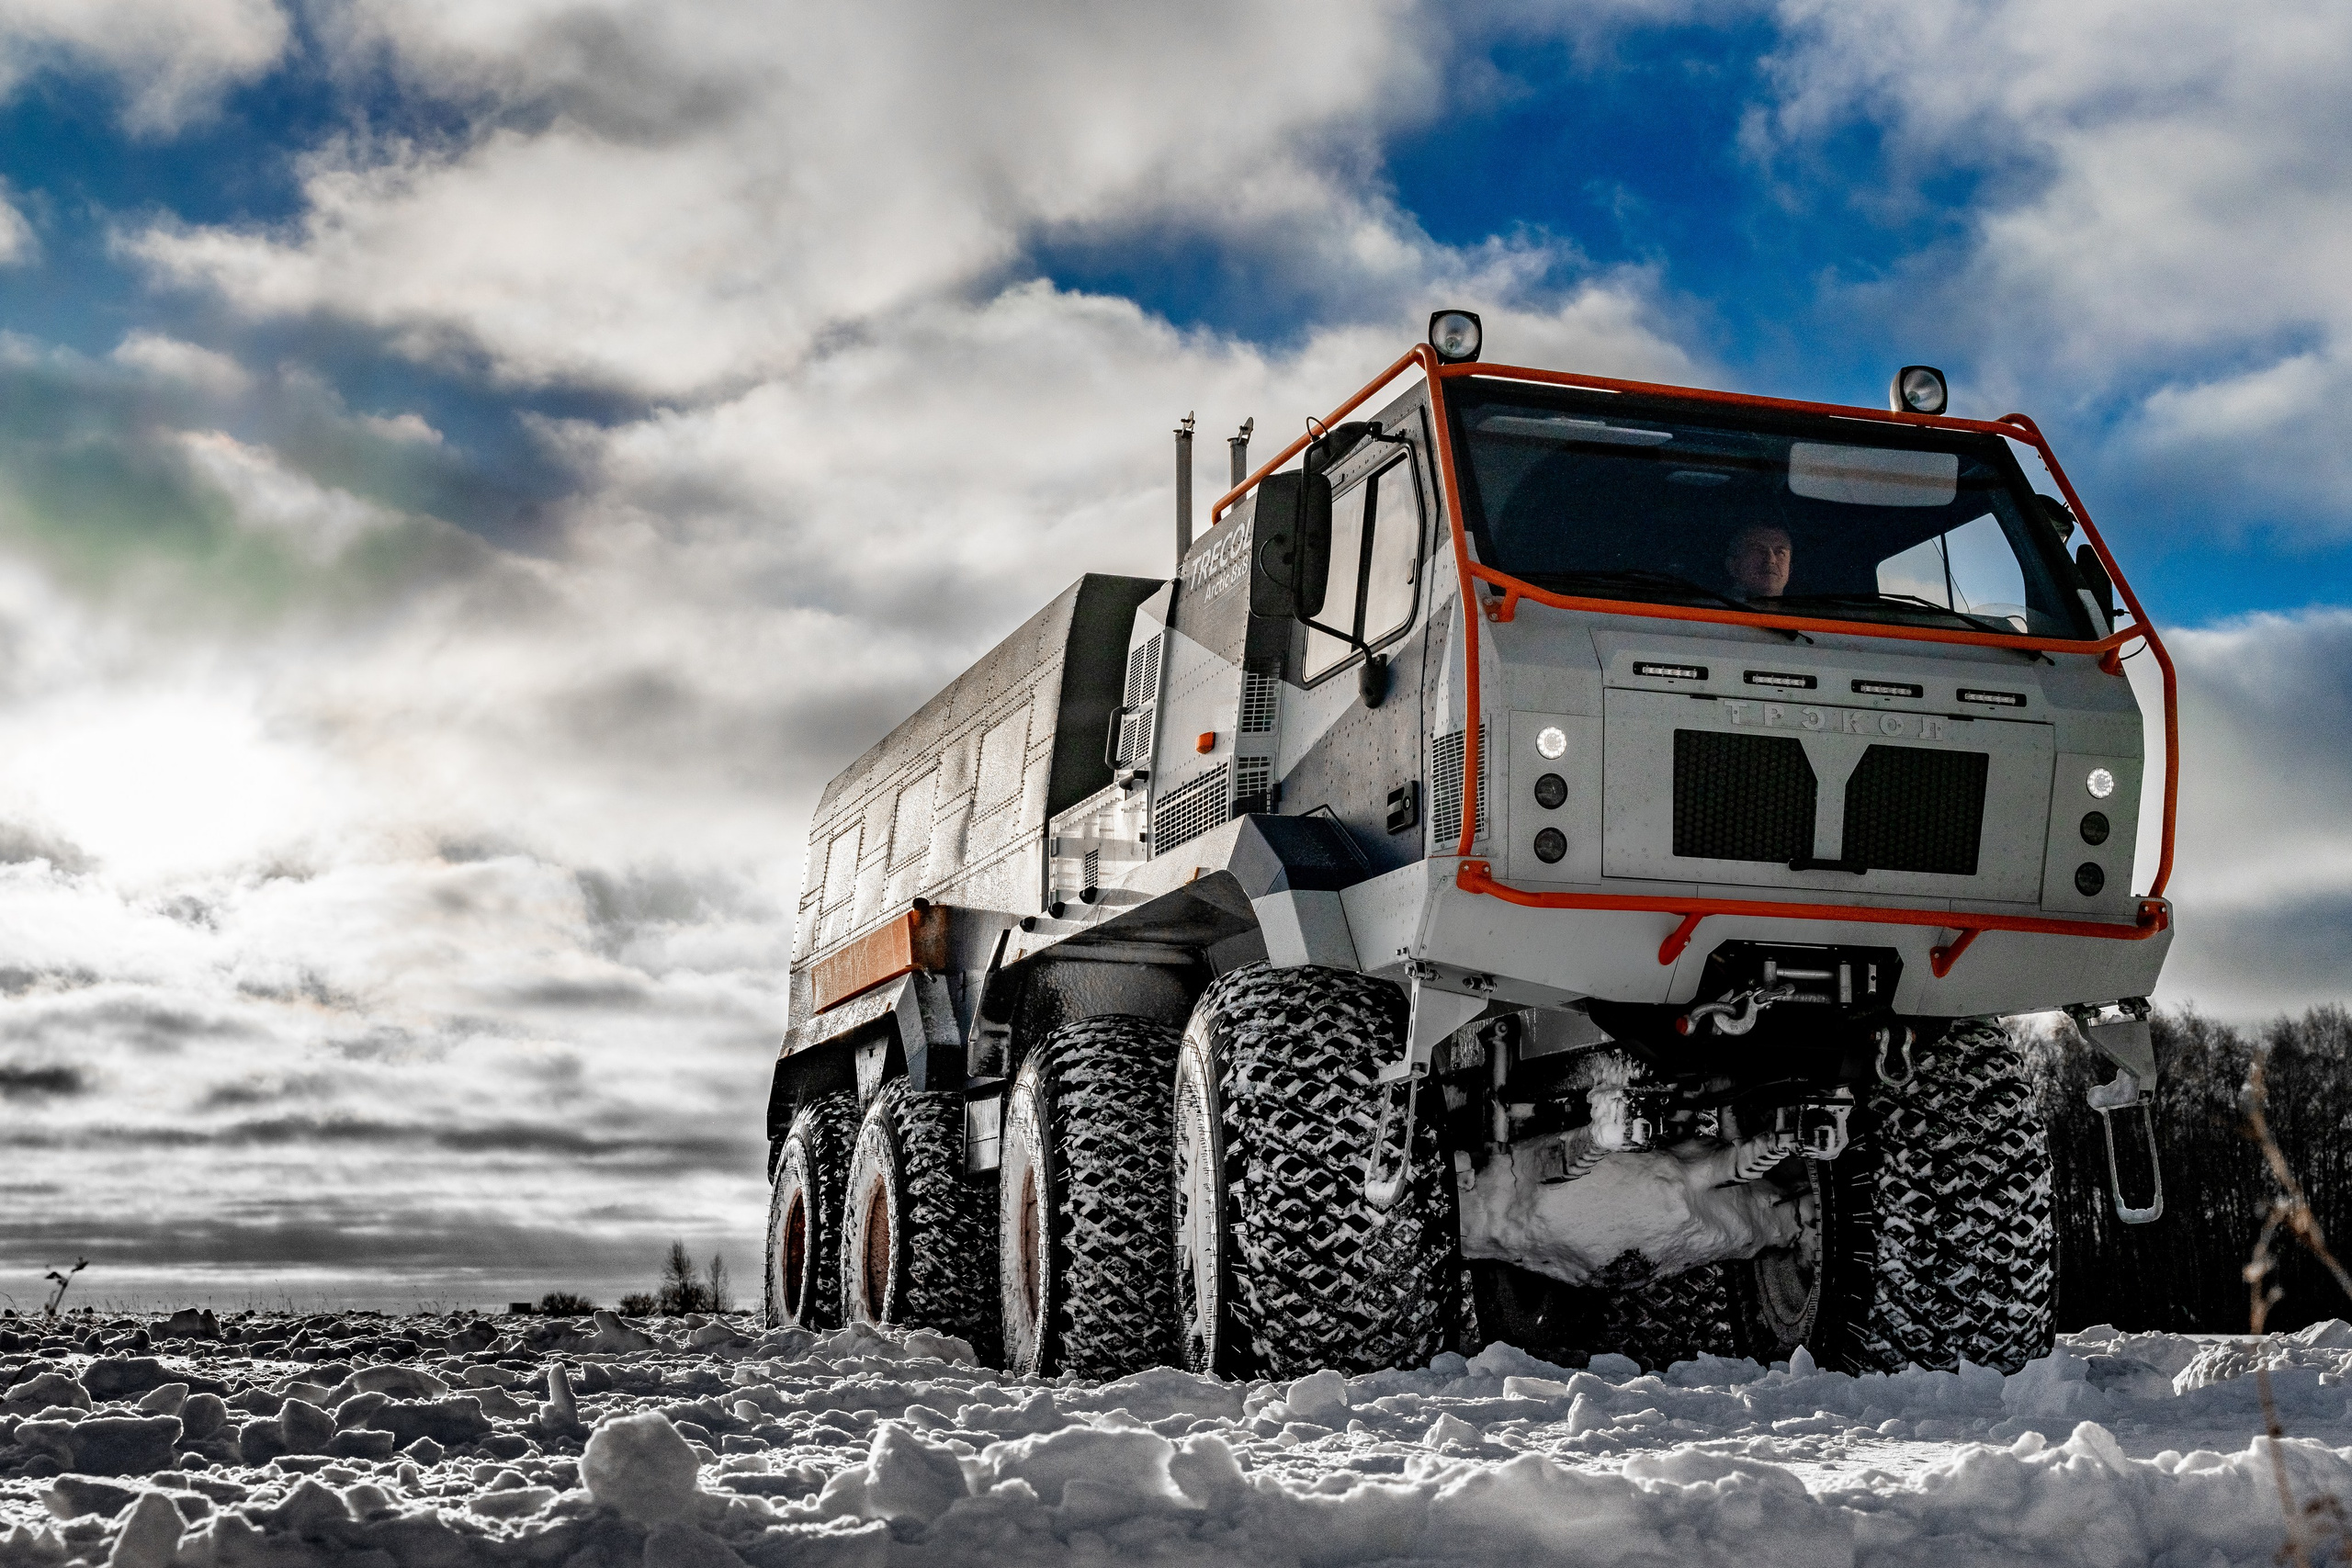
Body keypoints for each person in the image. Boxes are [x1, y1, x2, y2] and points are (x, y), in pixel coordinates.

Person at [1723, 522, 1792, 599]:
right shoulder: (1713, 605)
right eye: (1758, 550)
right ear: (1732, 565)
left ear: (1790, 567)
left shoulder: (1799, 606)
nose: (1771, 560)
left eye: (1780, 552)